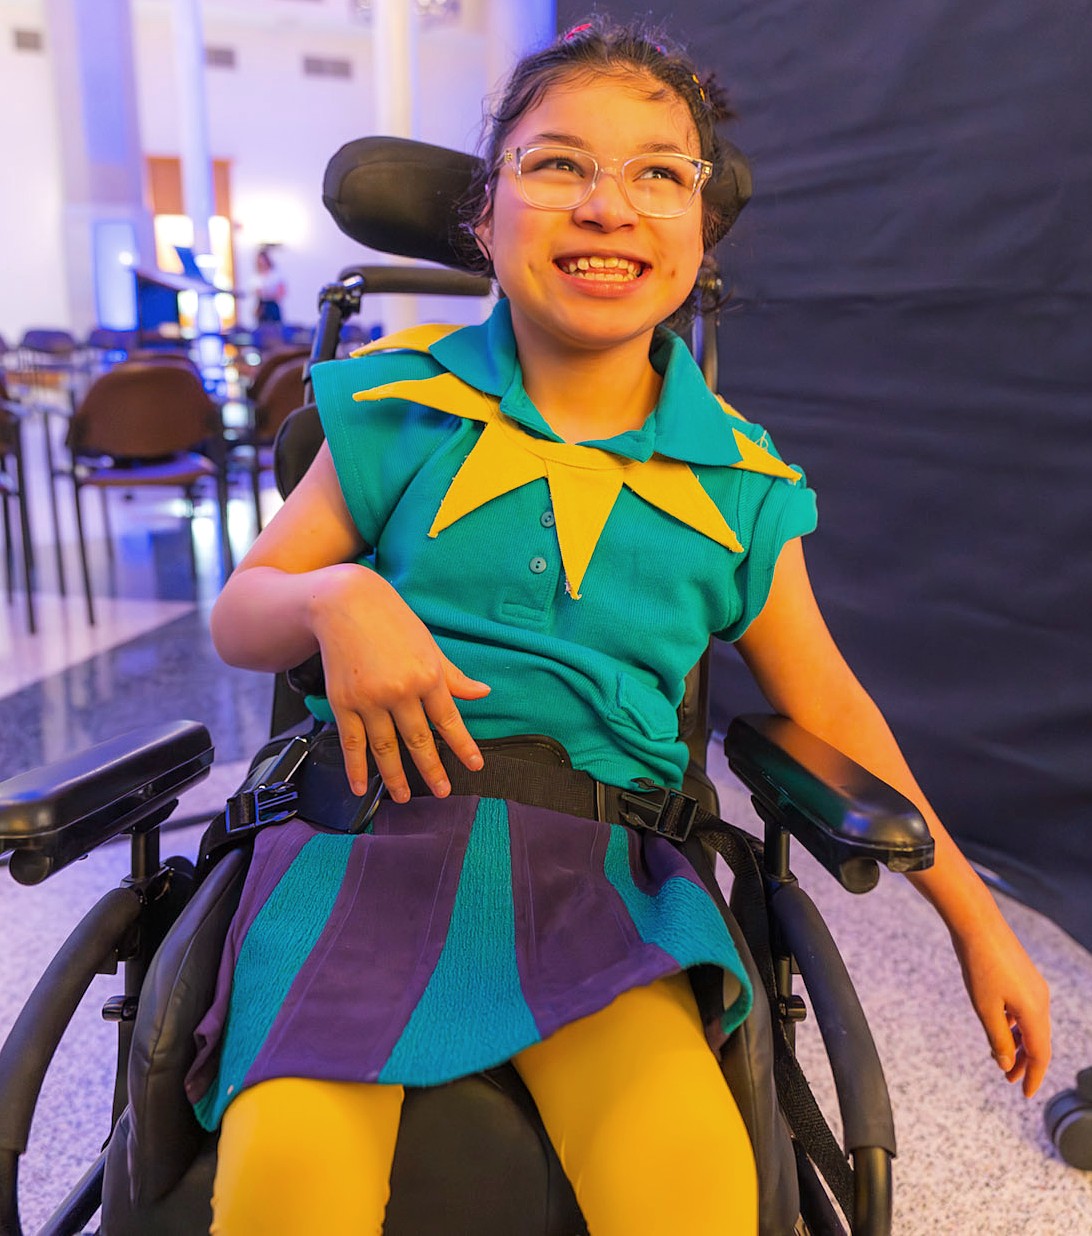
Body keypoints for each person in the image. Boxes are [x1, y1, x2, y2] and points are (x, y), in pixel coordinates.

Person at [188, 17, 1051, 1235]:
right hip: (360, 847)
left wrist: (976, 919)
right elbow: (242, 617)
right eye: (557, 164)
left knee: (690, 1180)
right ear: (484, 218)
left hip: (600, 878)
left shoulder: (739, 483)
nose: (607, 204)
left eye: (659, 172)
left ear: (700, 231)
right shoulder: (401, 405)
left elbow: (830, 707)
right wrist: (337, 595)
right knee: (290, 1175)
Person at [252, 245, 286, 325]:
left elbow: (281, 292)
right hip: (262, 307)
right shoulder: (256, 276)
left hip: (273, 306)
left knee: (275, 328)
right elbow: (256, 293)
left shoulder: (275, 275)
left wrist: (268, 294)